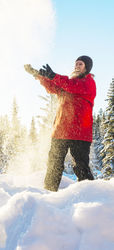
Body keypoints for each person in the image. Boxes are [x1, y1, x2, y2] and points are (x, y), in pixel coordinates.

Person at [24, 55, 96, 191]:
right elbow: (53, 87)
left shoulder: (88, 83)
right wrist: (38, 75)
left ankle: (90, 194)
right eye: (76, 64)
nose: (77, 66)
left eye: (80, 64)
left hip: (80, 133)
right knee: (54, 164)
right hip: (61, 131)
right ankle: (49, 191)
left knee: (81, 166)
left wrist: (53, 75)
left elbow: (71, 86)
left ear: (87, 68)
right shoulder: (67, 84)